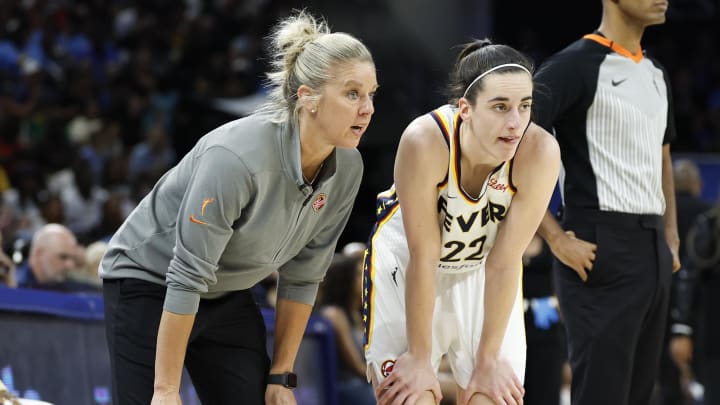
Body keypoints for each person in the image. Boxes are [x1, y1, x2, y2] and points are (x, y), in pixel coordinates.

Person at [99, 10, 377, 405]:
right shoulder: (236, 158)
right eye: (352, 93)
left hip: (226, 291)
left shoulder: (349, 166)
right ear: (307, 98)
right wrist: (165, 390)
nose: (367, 108)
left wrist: (281, 377)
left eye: (371, 94)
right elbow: (186, 275)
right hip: (150, 281)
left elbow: (304, 275)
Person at [363, 39, 560, 405]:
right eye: (500, 107)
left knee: (493, 393)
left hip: (482, 270)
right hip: (408, 265)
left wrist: (487, 361)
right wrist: (420, 360)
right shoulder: (425, 139)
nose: (515, 122)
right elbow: (423, 256)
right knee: (411, 395)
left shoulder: (541, 152)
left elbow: (504, 263)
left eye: (525, 106)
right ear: (466, 109)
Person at [531, 1, 681, 404]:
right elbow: (510, 150)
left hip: (652, 245)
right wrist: (557, 238)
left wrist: (671, 238)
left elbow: (663, 157)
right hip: (599, 242)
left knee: (639, 393)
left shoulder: (657, 73)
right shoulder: (572, 66)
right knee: (602, 393)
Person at [657, 159, 711, 404]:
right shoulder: (709, 217)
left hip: (660, 302)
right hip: (700, 311)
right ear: (698, 185)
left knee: (666, 379)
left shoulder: (659, 217)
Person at [317, 253, 375, 405]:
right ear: (344, 279)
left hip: (366, 380)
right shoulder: (335, 315)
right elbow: (356, 367)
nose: (365, 277)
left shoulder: (361, 313)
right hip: (348, 384)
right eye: (358, 274)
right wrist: (390, 381)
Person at [521, 233, 565, 405]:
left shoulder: (553, 239)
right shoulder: (504, 237)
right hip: (512, 327)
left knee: (546, 392)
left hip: (548, 329)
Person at [15, 223, 90, 292]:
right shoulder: (15, 287)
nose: (70, 265)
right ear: (39, 254)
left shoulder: (67, 285)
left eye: (73, 258)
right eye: (63, 257)